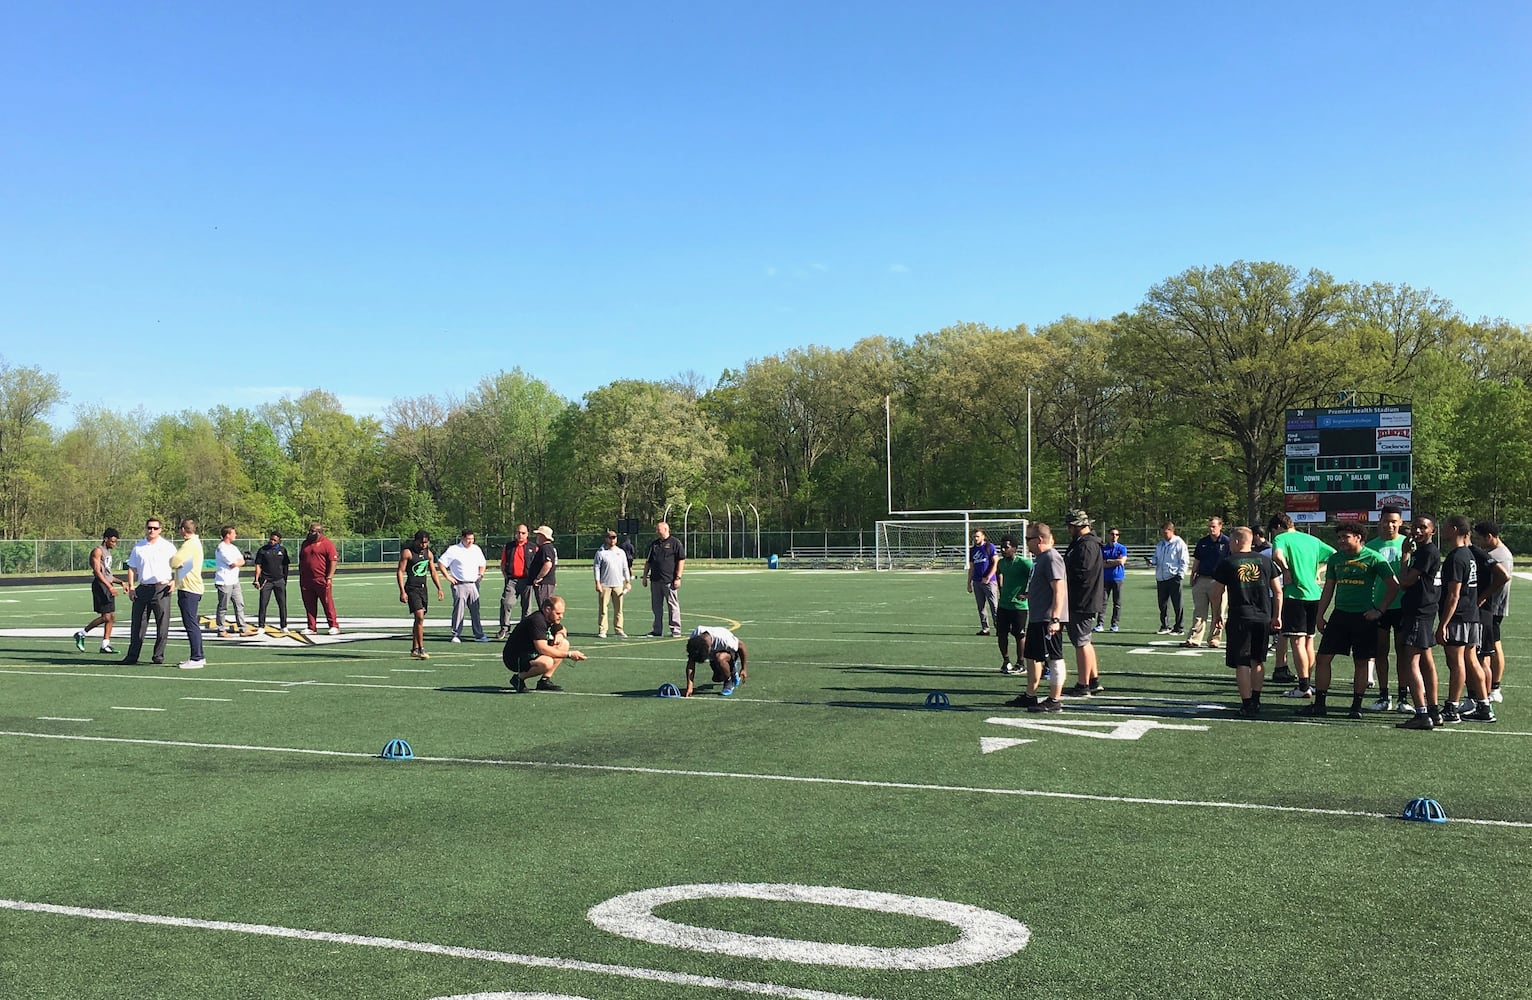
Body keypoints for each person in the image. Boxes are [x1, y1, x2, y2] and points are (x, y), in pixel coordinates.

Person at [1299, 522, 1399, 719]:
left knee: (1361, 662)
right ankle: (1319, 704)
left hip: (1363, 617)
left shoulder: (1374, 558)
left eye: (1346, 537)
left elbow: (1393, 585)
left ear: (1358, 538)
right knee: (1322, 659)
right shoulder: (1336, 559)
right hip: (1340, 615)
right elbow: (1328, 588)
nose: (1341, 541)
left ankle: (1356, 706)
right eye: (1339, 537)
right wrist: (1320, 614)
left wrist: (1379, 610)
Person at [1210, 527, 1283, 717]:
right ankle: (1257, 701)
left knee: (1242, 661)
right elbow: (1278, 591)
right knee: (1258, 660)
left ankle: (1247, 703)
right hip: (1263, 616)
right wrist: (1277, 616)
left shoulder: (1228, 562)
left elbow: (1217, 593)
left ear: (1235, 541)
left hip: (1240, 616)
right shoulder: (1266, 561)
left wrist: (1217, 615)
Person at [1269, 513, 1336, 697]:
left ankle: (1303, 686)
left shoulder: (1282, 538)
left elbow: (1277, 555)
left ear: (1278, 527)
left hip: (1295, 593)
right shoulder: (1312, 540)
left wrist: (1286, 570)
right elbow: (1334, 555)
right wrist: (1318, 571)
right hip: (1315, 594)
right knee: (1308, 640)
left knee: (1297, 641)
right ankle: (1308, 682)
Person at [1005, 522, 1067, 712]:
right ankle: (1030, 695)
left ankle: (1054, 699)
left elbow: (1059, 589)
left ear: (1039, 539)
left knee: (1054, 658)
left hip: (1048, 619)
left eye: (1028, 539)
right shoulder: (1040, 559)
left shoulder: (1051, 558)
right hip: (1037, 616)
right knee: (1032, 657)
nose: (1026, 543)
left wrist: (1055, 618)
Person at [1437, 515, 1492, 723]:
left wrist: (1443, 623)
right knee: (1471, 659)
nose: (1443, 530)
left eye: (1444, 526)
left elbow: (1454, 594)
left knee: (1457, 661)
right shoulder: (1468, 554)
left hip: (1458, 616)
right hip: (1472, 615)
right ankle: (1484, 706)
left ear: (1453, 529)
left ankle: (1451, 707)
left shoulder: (1456, 557)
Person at [1394, 516, 1444, 730]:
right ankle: (1433, 710)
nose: (1417, 530)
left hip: (1419, 611)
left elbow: (1404, 582)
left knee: (1410, 661)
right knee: (1426, 660)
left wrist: (1405, 555)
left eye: (1423, 527)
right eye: (1415, 526)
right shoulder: (1424, 552)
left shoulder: (1426, 552)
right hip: (1424, 609)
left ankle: (1422, 713)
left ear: (1432, 531)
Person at [1363, 505, 1407, 711]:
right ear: (1380, 521)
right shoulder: (1370, 546)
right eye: (1386, 521)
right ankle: (1383, 696)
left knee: (1403, 652)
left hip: (1402, 605)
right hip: (1378, 605)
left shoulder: (1408, 544)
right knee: (1381, 651)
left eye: (1394, 521)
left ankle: (1403, 698)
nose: (1390, 525)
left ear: (1400, 522)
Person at [122, 518, 178, 665]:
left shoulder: (168, 546)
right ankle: (132, 656)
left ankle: (158, 656)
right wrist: (131, 587)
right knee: (138, 624)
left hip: (161, 588)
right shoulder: (139, 547)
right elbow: (132, 568)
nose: (151, 530)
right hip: (143, 587)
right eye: (149, 528)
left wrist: (175, 581)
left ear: (160, 530)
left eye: (154, 528)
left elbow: (181, 565)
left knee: (162, 624)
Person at [502, 595, 586, 692]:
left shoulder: (550, 618)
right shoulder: (537, 620)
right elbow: (542, 648)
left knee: (564, 644)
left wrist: (560, 634)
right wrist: (569, 654)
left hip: (531, 653)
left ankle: (544, 680)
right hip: (516, 658)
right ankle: (518, 679)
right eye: (558, 613)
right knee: (547, 662)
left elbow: (562, 629)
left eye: (562, 613)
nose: (561, 616)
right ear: (547, 609)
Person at [1062, 510, 1105, 697]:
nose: (1068, 529)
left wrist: (1063, 580)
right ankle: (1093, 680)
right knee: (1085, 640)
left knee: (1081, 642)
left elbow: (1082, 573)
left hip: (1082, 599)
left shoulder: (1086, 545)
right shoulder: (1083, 543)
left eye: (1070, 526)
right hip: (1083, 598)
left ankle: (1083, 684)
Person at [1473, 520, 1514, 703]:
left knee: (1493, 647)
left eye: (1479, 538)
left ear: (1489, 537)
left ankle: (1495, 687)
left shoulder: (1498, 555)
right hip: (1491, 606)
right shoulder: (1494, 552)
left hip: (1493, 607)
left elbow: (1502, 580)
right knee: (1491, 647)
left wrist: (1484, 596)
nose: (1478, 542)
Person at [75, 528, 126, 654]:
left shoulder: (108, 553)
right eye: (112, 541)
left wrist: (121, 582)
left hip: (107, 585)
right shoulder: (98, 551)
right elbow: (97, 572)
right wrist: (109, 587)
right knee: (106, 616)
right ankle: (82, 633)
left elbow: (108, 574)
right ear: (106, 539)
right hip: (100, 586)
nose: (114, 544)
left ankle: (105, 644)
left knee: (111, 616)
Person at [397, 530, 445, 660]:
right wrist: (402, 591)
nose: (423, 545)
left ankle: (414, 648)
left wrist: (439, 588)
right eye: (421, 542)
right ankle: (421, 649)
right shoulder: (408, 553)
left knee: (419, 619)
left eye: (426, 542)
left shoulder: (428, 554)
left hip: (423, 589)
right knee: (420, 617)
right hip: (412, 588)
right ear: (416, 541)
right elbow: (400, 571)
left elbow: (433, 572)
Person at [1184, 517, 1231, 648]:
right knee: (1199, 611)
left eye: (1214, 526)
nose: (1211, 529)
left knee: (1219, 612)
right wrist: (1193, 575)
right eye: (1209, 526)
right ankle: (1194, 638)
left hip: (1220, 581)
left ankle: (1214, 638)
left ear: (1220, 526)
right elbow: (1197, 560)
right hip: (1202, 579)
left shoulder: (1227, 542)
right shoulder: (1203, 542)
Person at [168, 518, 207, 670]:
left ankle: (197, 657)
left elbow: (174, 561)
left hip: (189, 588)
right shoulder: (195, 543)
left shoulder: (189, 544)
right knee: (191, 622)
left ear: (183, 530)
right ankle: (199, 655)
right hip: (191, 587)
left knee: (191, 623)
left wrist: (174, 561)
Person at [439, 529, 489, 642]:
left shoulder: (476, 549)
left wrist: (481, 574)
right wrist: (448, 576)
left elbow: (482, 563)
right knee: (459, 610)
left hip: (473, 584)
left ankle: (479, 634)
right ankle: (456, 633)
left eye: (472, 539)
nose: (470, 541)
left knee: (475, 610)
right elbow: (441, 563)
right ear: (462, 538)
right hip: (459, 584)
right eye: (468, 539)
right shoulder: (454, 550)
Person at [993, 535, 1032, 675]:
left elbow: (1037, 576)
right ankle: (1006, 661)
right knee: (1001, 634)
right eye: (1001, 547)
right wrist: (1001, 588)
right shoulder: (1001, 563)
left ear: (1014, 548)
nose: (1003, 549)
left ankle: (1020, 663)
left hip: (1019, 607)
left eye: (1006, 547)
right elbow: (998, 574)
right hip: (1004, 605)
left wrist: (1027, 593)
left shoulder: (1024, 563)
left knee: (1019, 634)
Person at [642, 520, 686, 637]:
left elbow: (681, 560)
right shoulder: (654, 544)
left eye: (659, 529)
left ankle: (675, 629)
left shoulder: (675, 543)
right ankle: (657, 630)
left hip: (669, 580)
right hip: (655, 580)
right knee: (656, 607)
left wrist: (678, 577)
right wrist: (645, 576)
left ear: (666, 529)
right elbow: (648, 561)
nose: (657, 531)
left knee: (672, 605)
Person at [298, 522, 340, 634]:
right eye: (309, 530)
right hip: (306, 580)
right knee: (309, 604)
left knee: (327, 603)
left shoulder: (327, 544)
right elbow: (302, 560)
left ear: (319, 532)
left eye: (312, 531)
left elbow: (333, 561)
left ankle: (333, 625)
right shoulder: (305, 544)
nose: (309, 533)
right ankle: (311, 627)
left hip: (321, 578)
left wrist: (329, 577)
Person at [684, 625, 748, 697]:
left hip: (730, 653)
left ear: (709, 649)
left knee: (720, 658)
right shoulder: (695, 636)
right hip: (715, 654)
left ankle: (729, 682)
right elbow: (691, 662)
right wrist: (690, 685)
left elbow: (741, 646)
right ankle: (732, 670)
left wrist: (743, 668)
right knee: (717, 678)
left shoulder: (724, 639)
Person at [497, 524, 536, 638]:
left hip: (527, 581)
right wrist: (506, 576)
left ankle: (524, 630)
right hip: (512, 580)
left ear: (527, 534)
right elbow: (503, 563)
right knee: (506, 602)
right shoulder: (509, 546)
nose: (520, 535)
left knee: (527, 607)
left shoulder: (533, 547)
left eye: (523, 533)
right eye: (518, 532)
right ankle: (504, 628)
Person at [593, 529, 633, 638]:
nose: (612, 540)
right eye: (610, 537)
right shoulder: (601, 552)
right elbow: (596, 568)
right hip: (605, 584)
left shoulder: (621, 552)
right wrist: (597, 582)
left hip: (618, 584)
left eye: (614, 537)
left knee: (618, 609)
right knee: (603, 609)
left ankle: (619, 629)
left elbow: (625, 568)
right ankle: (602, 630)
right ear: (606, 539)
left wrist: (628, 582)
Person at [213, 526, 250, 638]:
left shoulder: (233, 547)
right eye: (233, 533)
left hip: (234, 581)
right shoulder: (222, 548)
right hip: (224, 581)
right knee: (223, 607)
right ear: (227, 535)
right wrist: (238, 562)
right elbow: (233, 563)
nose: (235, 535)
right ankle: (221, 630)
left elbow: (242, 560)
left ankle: (243, 629)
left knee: (239, 604)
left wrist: (239, 562)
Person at [1153, 521, 1189, 635]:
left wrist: (1180, 575)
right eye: (1163, 532)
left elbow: (1184, 560)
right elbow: (1156, 558)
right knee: (1162, 604)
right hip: (1161, 577)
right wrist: (1151, 561)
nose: (1164, 534)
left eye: (1166, 532)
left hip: (1174, 577)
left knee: (1177, 603)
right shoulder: (1160, 544)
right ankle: (1165, 625)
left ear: (1172, 531)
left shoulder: (1179, 543)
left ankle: (1179, 627)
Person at [252, 531, 290, 632]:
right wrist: (256, 579)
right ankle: (261, 626)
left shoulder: (283, 550)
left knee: (282, 604)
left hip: (279, 581)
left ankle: (284, 626)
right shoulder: (263, 550)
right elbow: (258, 565)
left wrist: (284, 579)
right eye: (271, 539)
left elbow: (286, 566)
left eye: (274, 540)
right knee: (263, 603)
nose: (272, 541)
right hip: (266, 581)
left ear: (279, 541)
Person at [967, 528, 1000, 636]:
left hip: (990, 582)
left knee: (994, 606)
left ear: (983, 536)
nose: (976, 538)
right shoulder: (972, 550)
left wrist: (989, 577)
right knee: (981, 606)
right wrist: (969, 583)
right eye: (974, 537)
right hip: (977, 581)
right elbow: (971, 568)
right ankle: (985, 628)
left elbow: (996, 563)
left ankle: (999, 628)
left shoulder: (989, 547)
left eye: (977, 536)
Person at [1099, 527, 1128, 632]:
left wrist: (1108, 562)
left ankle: (1114, 624)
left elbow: (1121, 562)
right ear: (1108, 535)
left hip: (1118, 578)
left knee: (1117, 602)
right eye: (1112, 534)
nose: (1114, 536)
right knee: (1103, 602)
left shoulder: (1122, 548)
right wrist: (1114, 561)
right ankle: (1100, 624)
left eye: (1116, 534)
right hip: (1105, 578)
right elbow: (1101, 563)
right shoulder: (1103, 548)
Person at [528, 525, 559, 611]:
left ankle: (546, 624)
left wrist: (538, 577)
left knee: (545, 608)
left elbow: (548, 564)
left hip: (544, 583)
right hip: (545, 582)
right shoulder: (547, 548)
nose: (537, 537)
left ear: (543, 536)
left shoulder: (546, 548)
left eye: (538, 535)